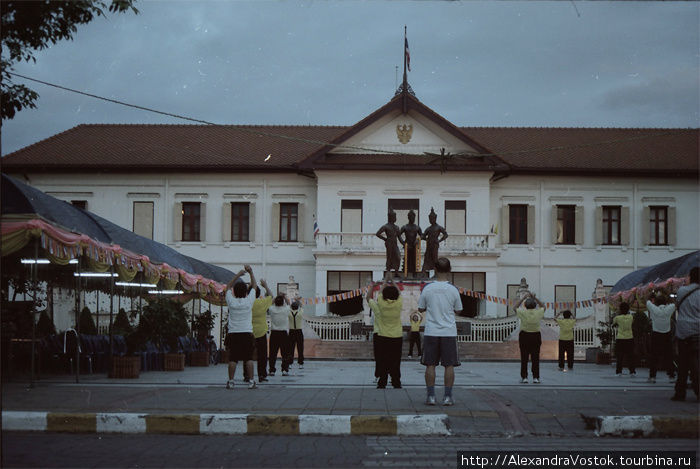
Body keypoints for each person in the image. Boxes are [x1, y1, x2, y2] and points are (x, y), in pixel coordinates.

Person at [418, 257, 463, 406]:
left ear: (435, 270)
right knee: (449, 365)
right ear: (450, 270)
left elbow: (420, 308)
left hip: (431, 331)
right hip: (449, 332)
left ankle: (431, 396)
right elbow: (458, 310)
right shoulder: (453, 289)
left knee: (430, 365)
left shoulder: (427, 288)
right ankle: (448, 397)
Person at [367, 272, 403, 389]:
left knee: (383, 360)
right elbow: (399, 292)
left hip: (383, 336)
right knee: (395, 360)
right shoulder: (398, 304)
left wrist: (381, 283)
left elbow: (370, 298)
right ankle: (396, 381)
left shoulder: (380, 306)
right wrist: (392, 281)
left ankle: (382, 381)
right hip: (397, 336)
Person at [224, 265, 258, 389]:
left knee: (233, 359)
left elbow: (227, 287)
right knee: (248, 358)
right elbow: (254, 286)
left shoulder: (231, 301)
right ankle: (251, 382)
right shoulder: (249, 301)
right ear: (246, 292)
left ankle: (231, 381)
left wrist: (238, 275)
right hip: (246, 333)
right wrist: (251, 273)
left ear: (234, 291)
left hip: (233, 333)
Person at [672, 267, 700, 401]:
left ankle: (680, 392)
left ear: (692, 277)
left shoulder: (682, 291)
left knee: (683, 362)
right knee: (695, 360)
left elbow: (678, 306)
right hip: (698, 330)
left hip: (683, 331)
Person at [514, 293, 546, 383]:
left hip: (524, 336)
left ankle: (524, 377)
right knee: (535, 358)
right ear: (535, 305)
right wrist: (535, 298)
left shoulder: (523, 312)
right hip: (536, 336)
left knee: (524, 357)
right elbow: (544, 306)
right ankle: (536, 377)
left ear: (525, 305)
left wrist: (523, 298)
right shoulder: (538, 312)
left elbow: (514, 308)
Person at [646, 293, 675, 384]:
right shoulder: (669, 308)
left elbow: (647, 301)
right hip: (667, 334)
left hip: (656, 334)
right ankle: (671, 376)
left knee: (654, 357)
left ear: (656, 303)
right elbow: (674, 303)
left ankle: (652, 377)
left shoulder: (654, 309)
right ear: (665, 302)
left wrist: (652, 297)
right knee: (669, 356)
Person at [251, 278, 274, 383]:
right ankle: (262, 375)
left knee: (248, 355)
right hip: (261, 331)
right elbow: (271, 296)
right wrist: (266, 286)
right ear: (258, 293)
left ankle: (247, 375)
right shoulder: (262, 303)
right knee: (262, 355)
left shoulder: (247, 303)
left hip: (249, 332)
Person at [268, 293, 292, 376]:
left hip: (274, 333)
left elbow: (269, 303)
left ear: (275, 302)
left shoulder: (271, 309)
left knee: (272, 353)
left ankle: (272, 370)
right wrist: (284, 296)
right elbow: (289, 303)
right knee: (285, 353)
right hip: (283, 333)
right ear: (283, 302)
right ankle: (285, 370)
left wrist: (276, 296)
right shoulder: (285, 310)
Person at [421, 208, 448, 274]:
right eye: (430, 219)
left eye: (432, 218)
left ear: (435, 218)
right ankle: (423, 273)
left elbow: (446, 234)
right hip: (429, 245)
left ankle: (436, 273)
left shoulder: (438, 227)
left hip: (435, 245)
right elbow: (423, 236)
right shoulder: (428, 228)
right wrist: (425, 239)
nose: (431, 220)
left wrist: (439, 240)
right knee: (426, 258)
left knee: (435, 259)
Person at [612, 301, 636, 376]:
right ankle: (632, 371)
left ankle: (619, 371)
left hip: (620, 338)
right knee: (630, 355)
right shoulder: (631, 317)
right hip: (630, 337)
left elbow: (613, 323)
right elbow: (633, 323)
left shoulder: (617, 318)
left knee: (620, 356)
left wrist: (617, 313)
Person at [399, 210, 423, 275]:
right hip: (407, 245)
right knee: (407, 260)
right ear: (408, 217)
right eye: (411, 217)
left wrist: (418, 240)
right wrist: (403, 243)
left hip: (414, 246)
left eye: (413, 217)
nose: (412, 218)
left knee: (414, 259)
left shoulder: (417, 227)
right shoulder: (405, 227)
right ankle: (405, 273)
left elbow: (422, 235)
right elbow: (398, 235)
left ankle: (414, 273)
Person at [288, 300, 305, 369]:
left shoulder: (289, 313)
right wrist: (298, 300)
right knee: (300, 348)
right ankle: (300, 364)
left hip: (291, 331)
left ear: (291, 307)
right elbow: (301, 306)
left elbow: (288, 307)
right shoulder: (300, 313)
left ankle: (290, 364)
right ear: (297, 307)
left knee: (290, 349)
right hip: (299, 331)